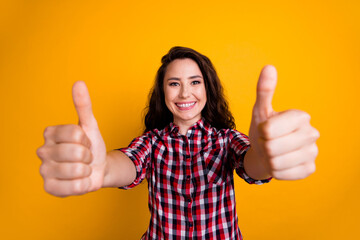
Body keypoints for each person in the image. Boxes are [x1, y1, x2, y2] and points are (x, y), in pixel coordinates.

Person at [37, 47, 319, 239]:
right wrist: (101, 170)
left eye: (195, 82)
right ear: (163, 91)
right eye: (174, 83)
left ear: (207, 87)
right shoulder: (152, 143)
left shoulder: (225, 140)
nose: (185, 92)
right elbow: (122, 165)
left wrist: (268, 157)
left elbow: (253, 164)